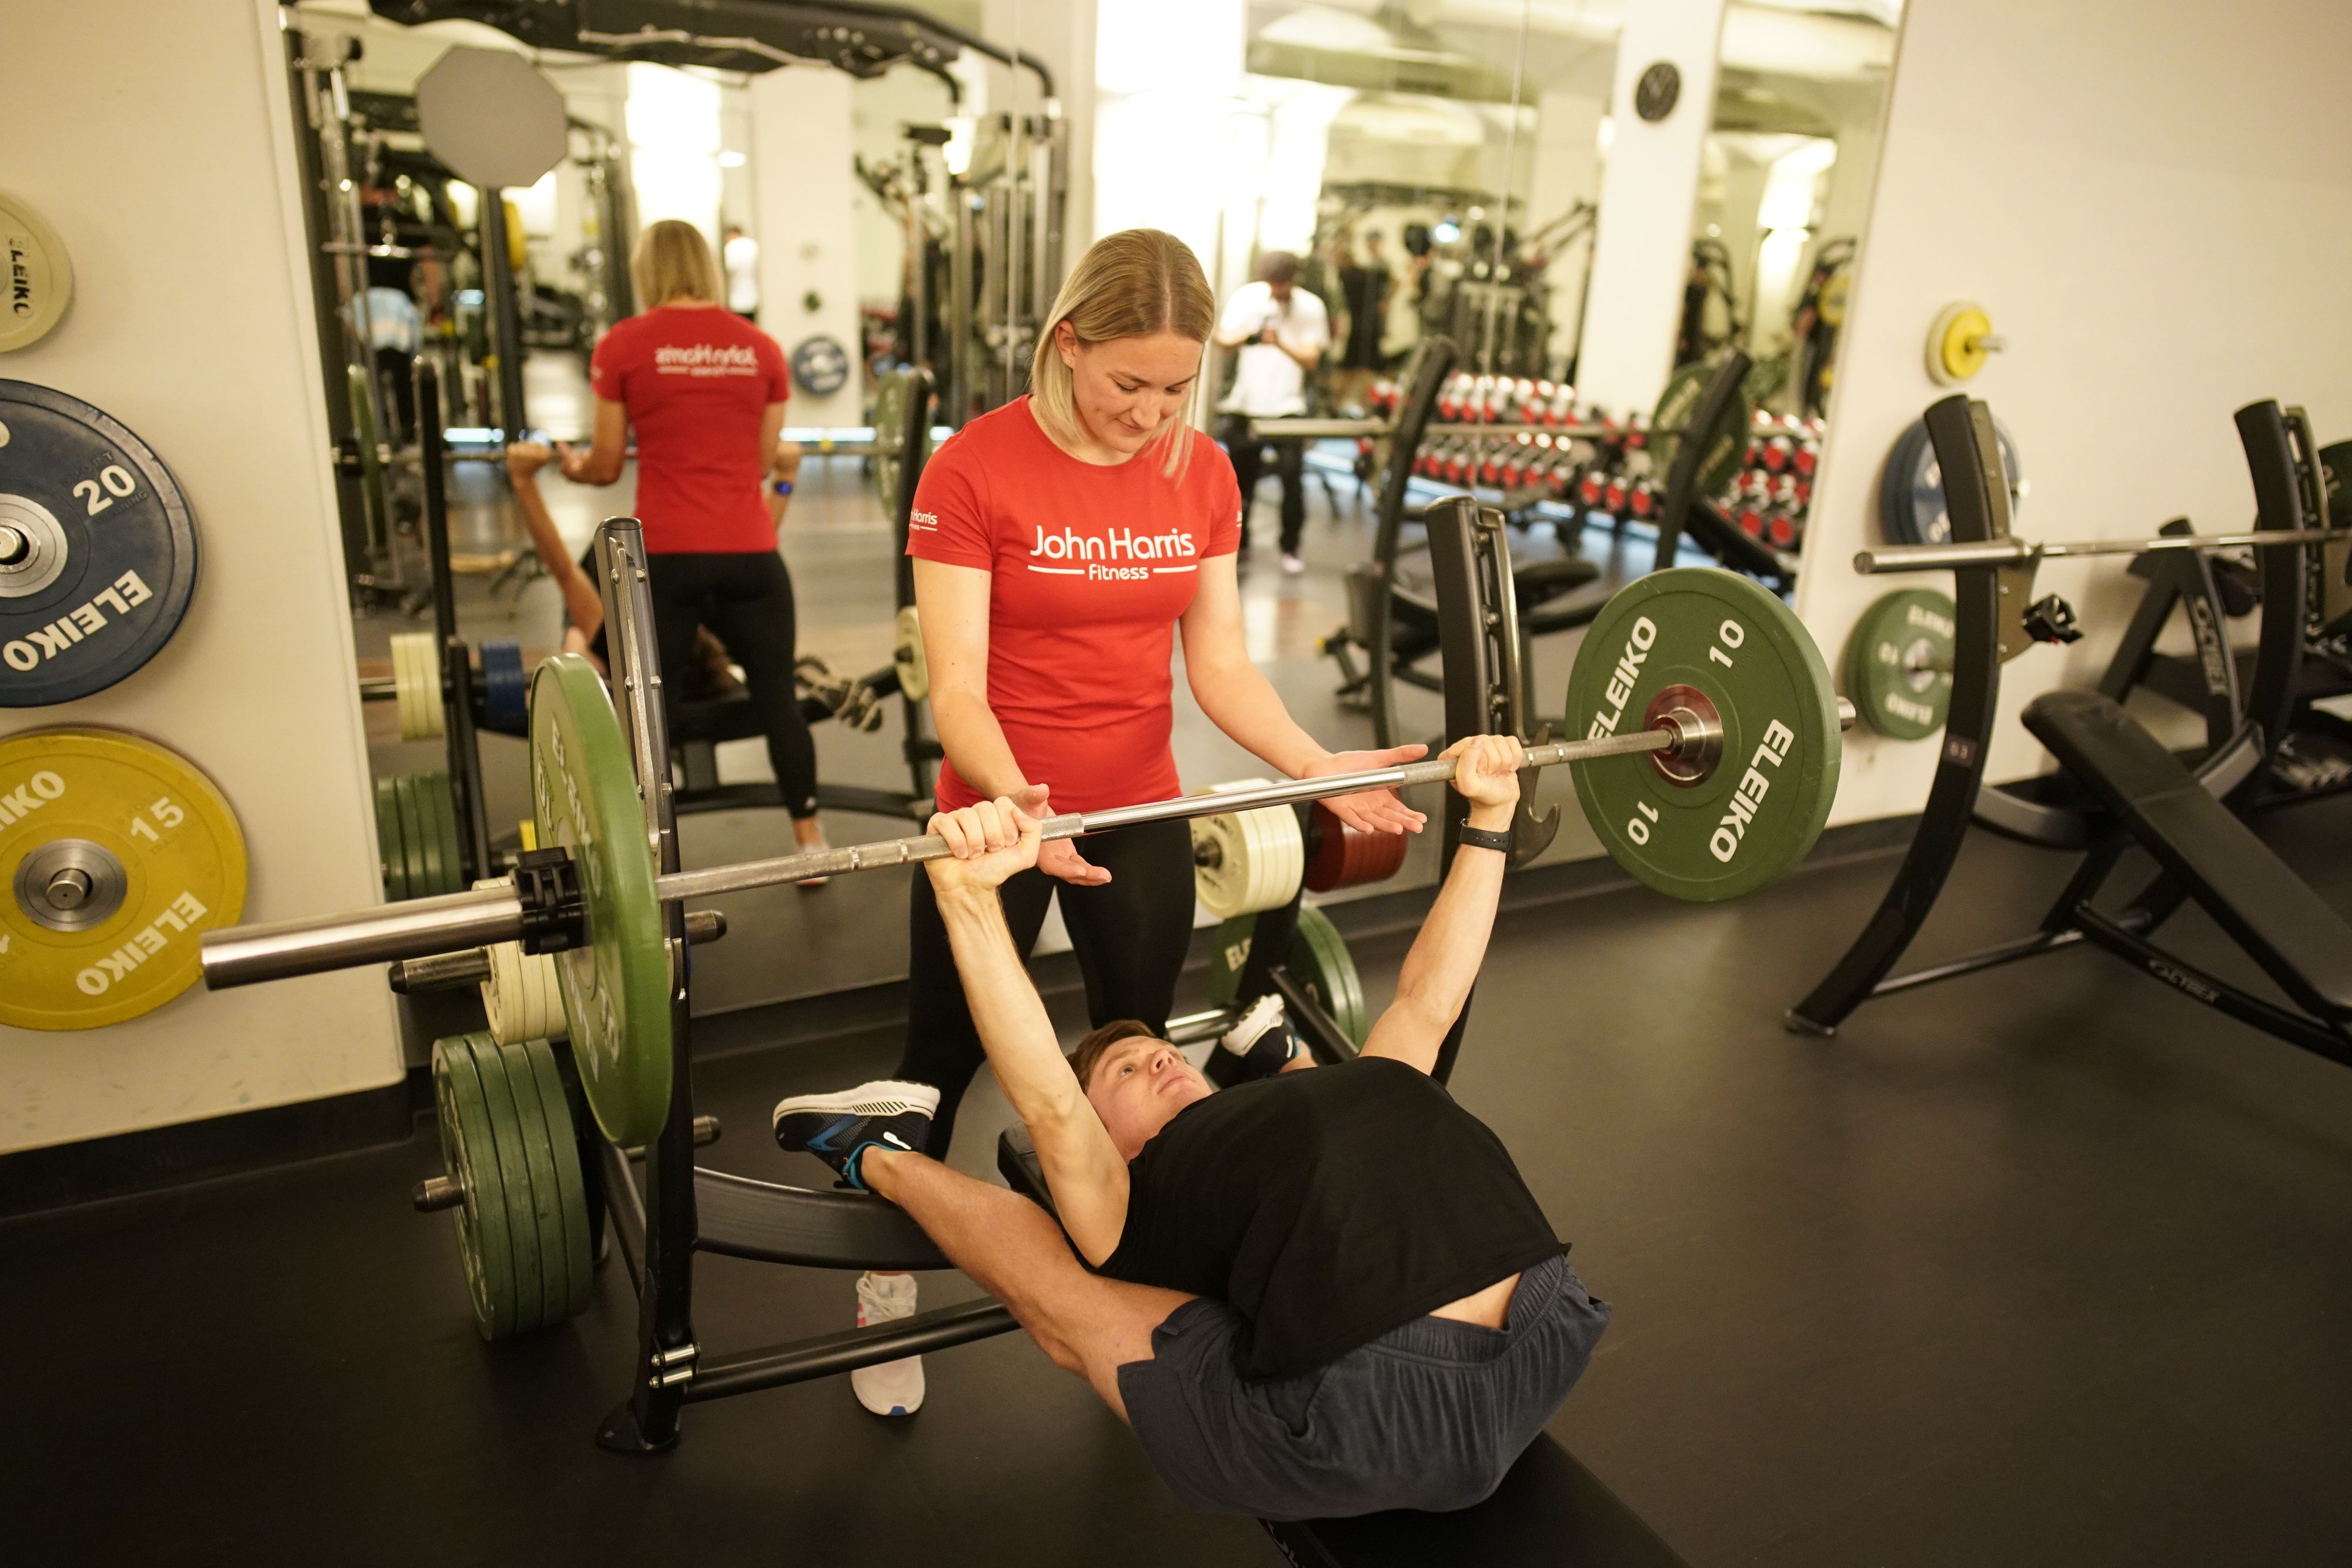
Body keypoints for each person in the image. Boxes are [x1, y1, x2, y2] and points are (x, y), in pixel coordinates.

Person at [844, 228, 1425, 1419]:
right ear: (1069, 346)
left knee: (1138, 1063)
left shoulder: (1196, 471)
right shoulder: (971, 469)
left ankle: (1145, 1290)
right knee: (935, 1067)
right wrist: (1019, 807)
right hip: (993, 821)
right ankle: (882, 1283)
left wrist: (1313, 766)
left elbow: (1217, 665)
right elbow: (952, 687)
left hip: (1140, 805)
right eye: (1128, 384)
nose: (1150, 412)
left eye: (1175, 388)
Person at [771, 736, 1608, 1519]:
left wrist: (1491, 816)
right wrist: (969, 901)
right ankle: (876, 1152)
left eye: (1160, 1052)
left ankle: (1268, 1059)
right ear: (1111, 1144)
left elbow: (1429, 996)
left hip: (1548, 1325)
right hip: (1367, 1403)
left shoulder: (1352, 1087)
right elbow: (1049, 1103)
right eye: (1123, 1072)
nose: (1157, 1061)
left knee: (1365, 1082)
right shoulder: (1132, 1201)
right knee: (1075, 1304)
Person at [552, 219, 824, 859]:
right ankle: (810, 843)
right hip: (750, 554)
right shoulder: (760, 348)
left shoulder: (623, 344)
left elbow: (607, 464)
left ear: (646, 271)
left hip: (665, 560)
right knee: (778, 699)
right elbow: (761, 462)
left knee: (650, 709)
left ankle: (643, 853)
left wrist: (567, 466)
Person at [1214, 251, 1329, 575]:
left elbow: (1311, 359)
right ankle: (1239, 543)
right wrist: (1251, 336)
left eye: (1282, 284)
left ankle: (1290, 547)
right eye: (1272, 283)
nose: (1277, 290)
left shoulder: (1311, 307)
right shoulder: (1247, 298)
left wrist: (1281, 342)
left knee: (1292, 479)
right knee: (1239, 483)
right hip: (1246, 404)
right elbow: (1222, 339)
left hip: (1288, 407)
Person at [722, 222, 760, 320]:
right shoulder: (752, 245)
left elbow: (730, 268)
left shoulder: (732, 247)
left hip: (737, 297)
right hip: (752, 295)